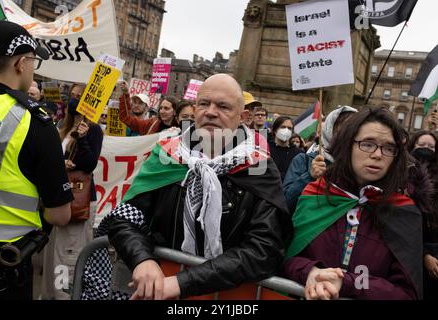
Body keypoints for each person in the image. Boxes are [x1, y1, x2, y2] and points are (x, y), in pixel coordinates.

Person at [82, 74, 292, 300]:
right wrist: (143, 259)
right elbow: (125, 219)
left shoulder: (259, 166)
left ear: (242, 117)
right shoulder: (166, 156)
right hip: (158, 291)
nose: (211, 111)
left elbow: (264, 249)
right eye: (204, 103)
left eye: (223, 106)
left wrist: (183, 283)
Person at [284, 107, 423, 300]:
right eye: (367, 144)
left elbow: (406, 293)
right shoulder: (314, 195)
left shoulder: (404, 210)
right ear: (347, 145)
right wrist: (310, 271)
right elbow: (284, 258)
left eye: (389, 148)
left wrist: (347, 283)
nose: (377, 154)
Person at [0, 20, 72, 300]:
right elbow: (60, 215)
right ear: (21, 63)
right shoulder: (33, 121)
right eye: (34, 61)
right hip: (2, 266)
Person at [41, 94, 103, 300]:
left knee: (70, 253)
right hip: (58, 198)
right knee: (54, 252)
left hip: (78, 199)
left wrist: (83, 140)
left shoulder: (93, 130)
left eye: (81, 115)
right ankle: (52, 294)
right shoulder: (62, 130)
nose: (78, 119)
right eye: (74, 115)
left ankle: (67, 296)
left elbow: (89, 164)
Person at [283, 106, 357, 213]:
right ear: (329, 130)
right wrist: (310, 176)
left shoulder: (360, 166)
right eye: (343, 130)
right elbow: (286, 203)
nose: (348, 136)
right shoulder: (304, 160)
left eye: (354, 131)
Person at [406, 130, 438, 300]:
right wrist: (424, 254)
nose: (426, 149)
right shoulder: (404, 175)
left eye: (431, 147)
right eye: (422, 145)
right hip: (413, 248)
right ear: (412, 146)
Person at [269, 116, 304, 181]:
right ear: (275, 130)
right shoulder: (265, 150)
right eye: (283, 127)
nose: (286, 130)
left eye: (289, 128)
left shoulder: (299, 153)